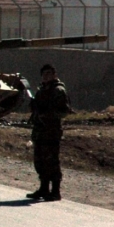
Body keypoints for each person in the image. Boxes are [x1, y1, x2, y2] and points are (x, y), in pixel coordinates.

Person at [26, 64, 72, 201]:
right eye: (44, 74)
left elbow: (64, 111)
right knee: (39, 161)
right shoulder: (42, 90)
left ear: (54, 75)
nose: (46, 76)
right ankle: (43, 188)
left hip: (51, 131)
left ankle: (55, 191)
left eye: (49, 74)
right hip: (40, 131)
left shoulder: (58, 90)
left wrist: (47, 114)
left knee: (52, 161)